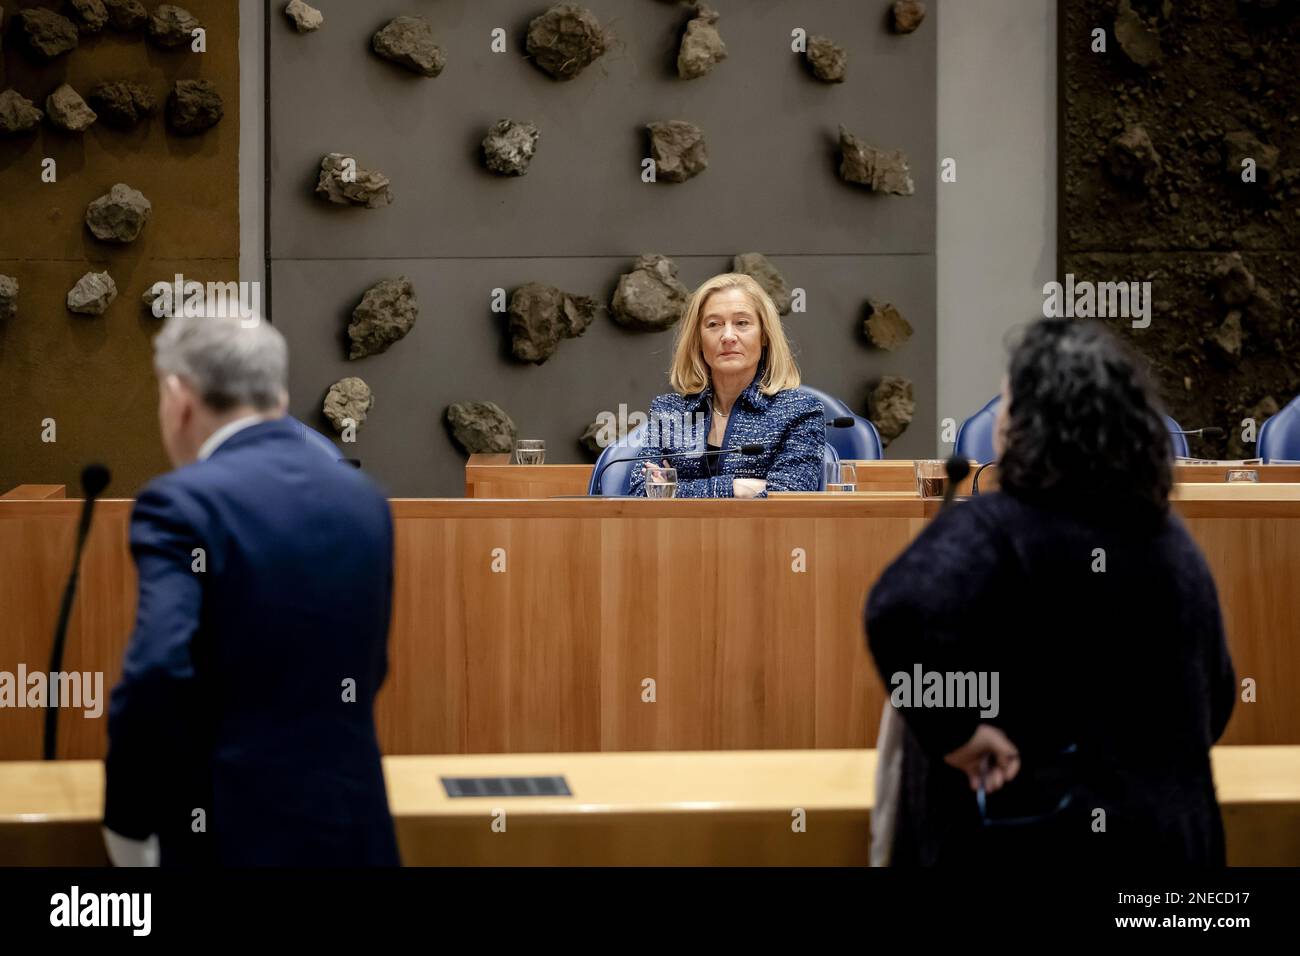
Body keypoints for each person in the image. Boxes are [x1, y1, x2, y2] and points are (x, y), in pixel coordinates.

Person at [865, 318, 1236, 866]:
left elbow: (896, 610)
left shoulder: (994, 526)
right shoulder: (1169, 538)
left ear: (1024, 425)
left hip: (1032, 835)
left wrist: (957, 731)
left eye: (1007, 401)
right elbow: (1219, 697)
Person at [103, 313, 400, 867]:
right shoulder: (363, 499)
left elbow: (158, 674)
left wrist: (128, 824)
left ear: (178, 396)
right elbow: (369, 669)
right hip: (354, 826)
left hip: (230, 835)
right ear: (278, 391)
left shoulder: (180, 504)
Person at [627, 273, 825, 498]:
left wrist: (673, 491)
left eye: (742, 323)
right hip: (680, 533)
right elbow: (639, 494)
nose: (728, 336)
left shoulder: (800, 411)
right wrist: (737, 488)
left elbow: (789, 497)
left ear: (764, 335)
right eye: (714, 324)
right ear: (698, 340)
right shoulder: (669, 411)